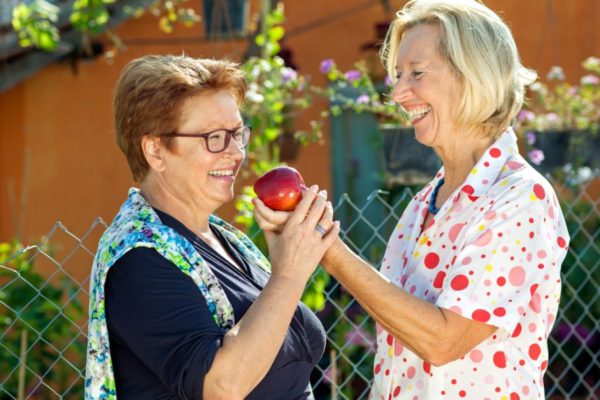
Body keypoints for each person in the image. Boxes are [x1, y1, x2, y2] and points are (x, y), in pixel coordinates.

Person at [254, 1, 570, 398]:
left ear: (474, 75)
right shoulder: (426, 202)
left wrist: (327, 250)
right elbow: (399, 358)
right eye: (398, 75)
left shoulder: (520, 197)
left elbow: (443, 341)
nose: (398, 93)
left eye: (416, 74)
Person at [84, 54, 340, 400]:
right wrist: (289, 276)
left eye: (237, 134)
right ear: (156, 151)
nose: (236, 153)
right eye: (214, 137)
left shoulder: (226, 239)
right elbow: (221, 387)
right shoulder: (138, 257)